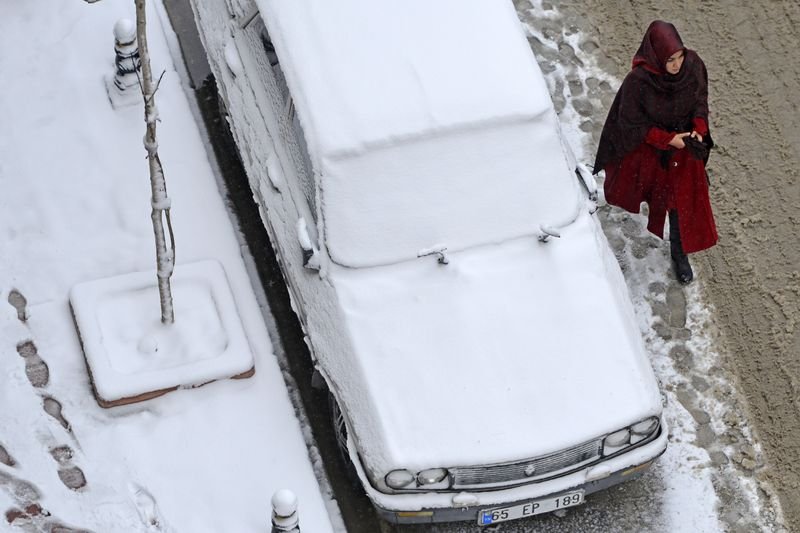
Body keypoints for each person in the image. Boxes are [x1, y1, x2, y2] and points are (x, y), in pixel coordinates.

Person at [593, 20, 717, 284]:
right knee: (661, 196)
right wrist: (667, 139)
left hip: (685, 151)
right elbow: (631, 123)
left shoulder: (693, 65)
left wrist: (699, 126)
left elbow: (699, 99)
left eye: (679, 57)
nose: (676, 65)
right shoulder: (639, 81)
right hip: (653, 153)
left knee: (680, 203)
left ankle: (679, 254)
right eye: (670, 59)